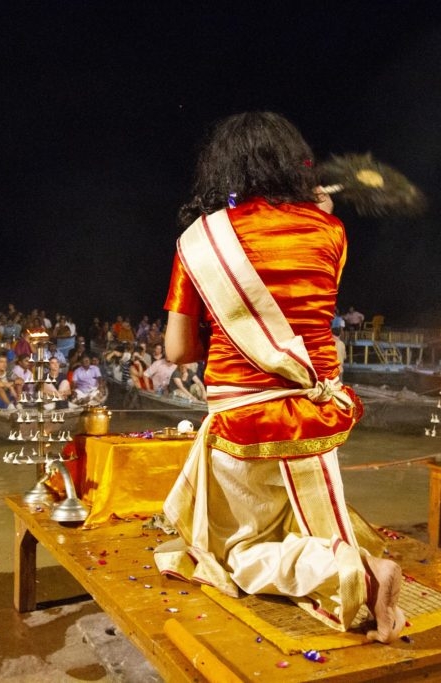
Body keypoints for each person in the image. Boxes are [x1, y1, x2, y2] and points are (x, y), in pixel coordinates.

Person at [157, 112, 403, 643]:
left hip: (242, 423)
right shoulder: (332, 231)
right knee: (299, 523)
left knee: (228, 553)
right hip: (318, 416)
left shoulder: (200, 242)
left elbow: (177, 350)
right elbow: (309, 315)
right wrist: (321, 215)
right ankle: (344, 562)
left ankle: (353, 574)